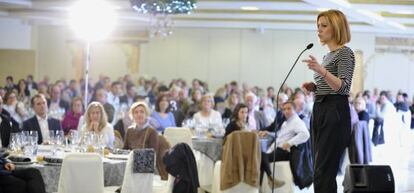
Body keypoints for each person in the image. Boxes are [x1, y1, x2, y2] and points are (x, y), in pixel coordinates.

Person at [302, 9, 355, 193]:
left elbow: (343, 88)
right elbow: (329, 86)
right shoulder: (327, 57)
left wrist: (320, 71)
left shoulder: (345, 53)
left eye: (324, 26)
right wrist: (314, 87)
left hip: (335, 113)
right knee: (319, 169)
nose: (319, 30)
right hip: (321, 108)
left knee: (324, 170)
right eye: (318, 26)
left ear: (337, 28)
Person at [224, 103, 284, 188]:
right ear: (237, 113)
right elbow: (227, 139)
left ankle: (264, 181)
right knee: (261, 155)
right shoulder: (232, 125)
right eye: (242, 112)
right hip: (236, 152)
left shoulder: (246, 124)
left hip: (247, 150)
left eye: (246, 112)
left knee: (261, 155)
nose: (244, 114)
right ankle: (267, 181)